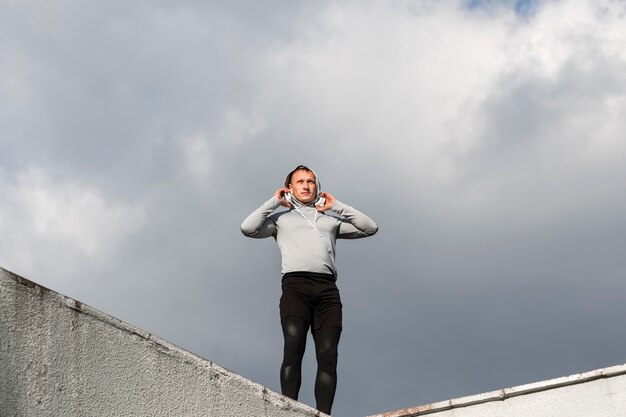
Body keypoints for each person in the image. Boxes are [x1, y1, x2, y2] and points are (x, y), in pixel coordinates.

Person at [240, 165, 378, 415]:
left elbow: (369, 227)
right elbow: (248, 228)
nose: (306, 185)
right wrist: (275, 201)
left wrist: (335, 205)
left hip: (327, 291)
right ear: (290, 188)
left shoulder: (329, 220)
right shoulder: (280, 219)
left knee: (328, 356)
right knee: (294, 346)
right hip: (295, 288)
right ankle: (288, 410)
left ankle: (323, 414)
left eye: (311, 181)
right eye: (300, 182)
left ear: (318, 187)